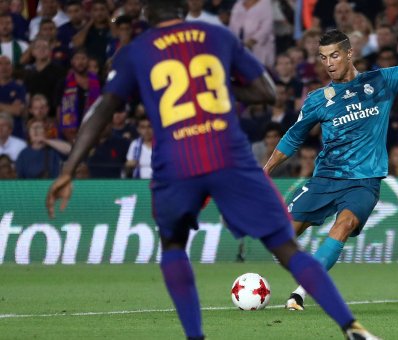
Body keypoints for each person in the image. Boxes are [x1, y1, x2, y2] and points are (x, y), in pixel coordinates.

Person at [45, 1, 378, 339]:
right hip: (228, 155)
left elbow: (102, 110)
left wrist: (69, 169)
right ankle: (350, 327)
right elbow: (265, 90)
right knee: (286, 247)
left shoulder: (136, 52)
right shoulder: (215, 35)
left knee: (173, 245)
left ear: (147, 14)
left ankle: (195, 336)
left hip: (176, 161)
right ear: (184, 8)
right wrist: (214, 84)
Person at [263, 12, 398, 311]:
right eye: (323, 58)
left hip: (364, 180)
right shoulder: (317, 99)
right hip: (325, 179)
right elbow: (292, 137)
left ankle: (302, 291)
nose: (329, 63)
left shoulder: (381, 82)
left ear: (349, 54)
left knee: (345, 223)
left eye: (334, 55)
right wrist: (266, 170)